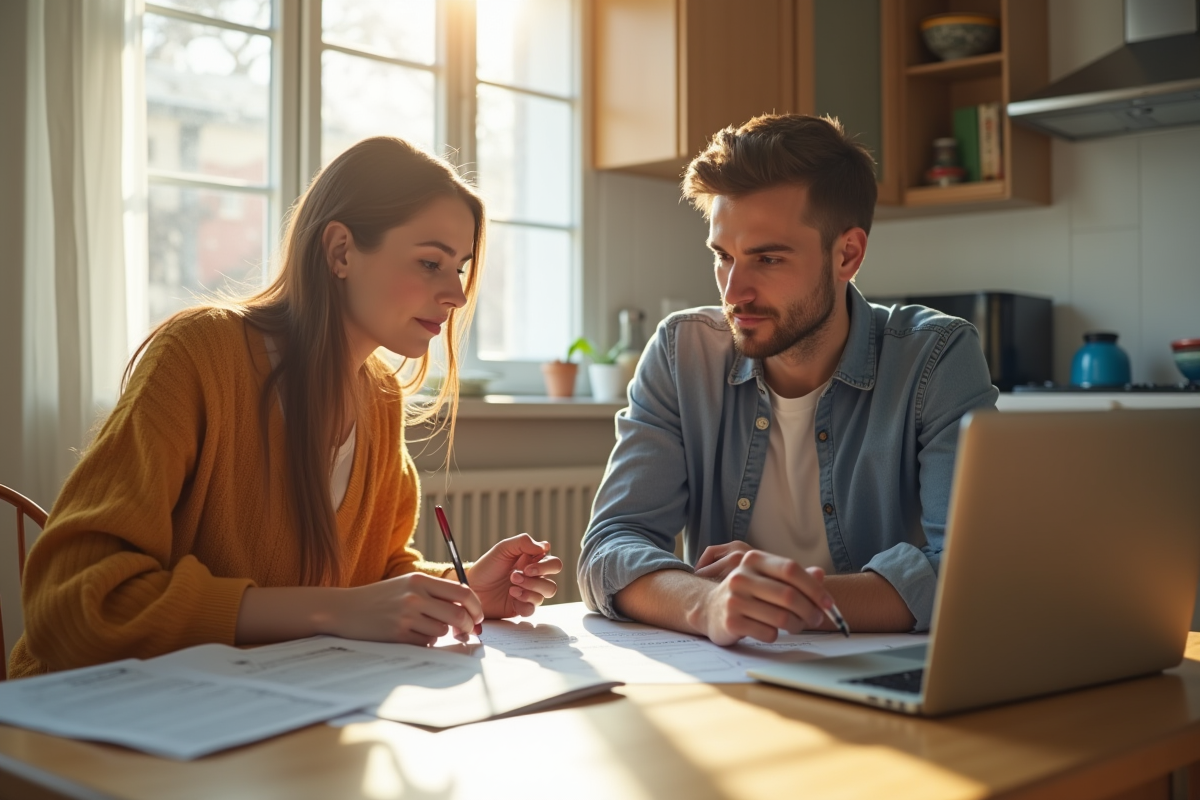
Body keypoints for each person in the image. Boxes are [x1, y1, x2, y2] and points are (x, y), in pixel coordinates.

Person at [10, 137, 561, 678]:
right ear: (341, 251)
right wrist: (334, 612)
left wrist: (463, 592)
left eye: (459, 268)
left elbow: (372, 574)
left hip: (252, 714)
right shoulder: (201, 356)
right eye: (429, 263)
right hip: (85, 724)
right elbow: (72, 603)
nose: (457, 295)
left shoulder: (381, 400)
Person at [578, 114, 998, 646]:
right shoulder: (682, 352)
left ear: (847, 254)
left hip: (884, 676)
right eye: (723, 257)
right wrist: (707, 603)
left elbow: (968, 571)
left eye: (768, 259)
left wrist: (782, 600)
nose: (734, 292)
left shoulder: (934, 357)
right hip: (731, 674)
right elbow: (610, 546)